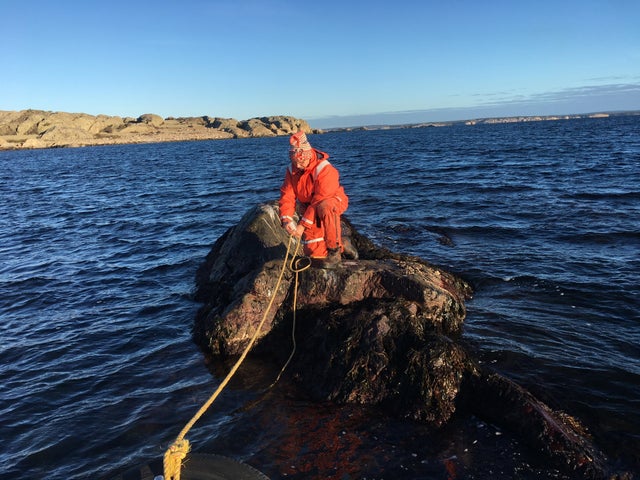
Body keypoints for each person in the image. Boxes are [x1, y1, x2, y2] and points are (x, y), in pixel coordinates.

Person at [279, 131, 354, 268]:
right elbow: (287, 195)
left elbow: (320, 199)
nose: (298, 166)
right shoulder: (291, 170)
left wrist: (302, 225)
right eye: (295, 162)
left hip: (330, 201)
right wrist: (286, 219)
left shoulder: (325, 169)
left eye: (301, 161)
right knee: (313, 253)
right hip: (309, 206)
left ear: (308, 155)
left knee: (325, 207)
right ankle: (344, 244)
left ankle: (335, 251)